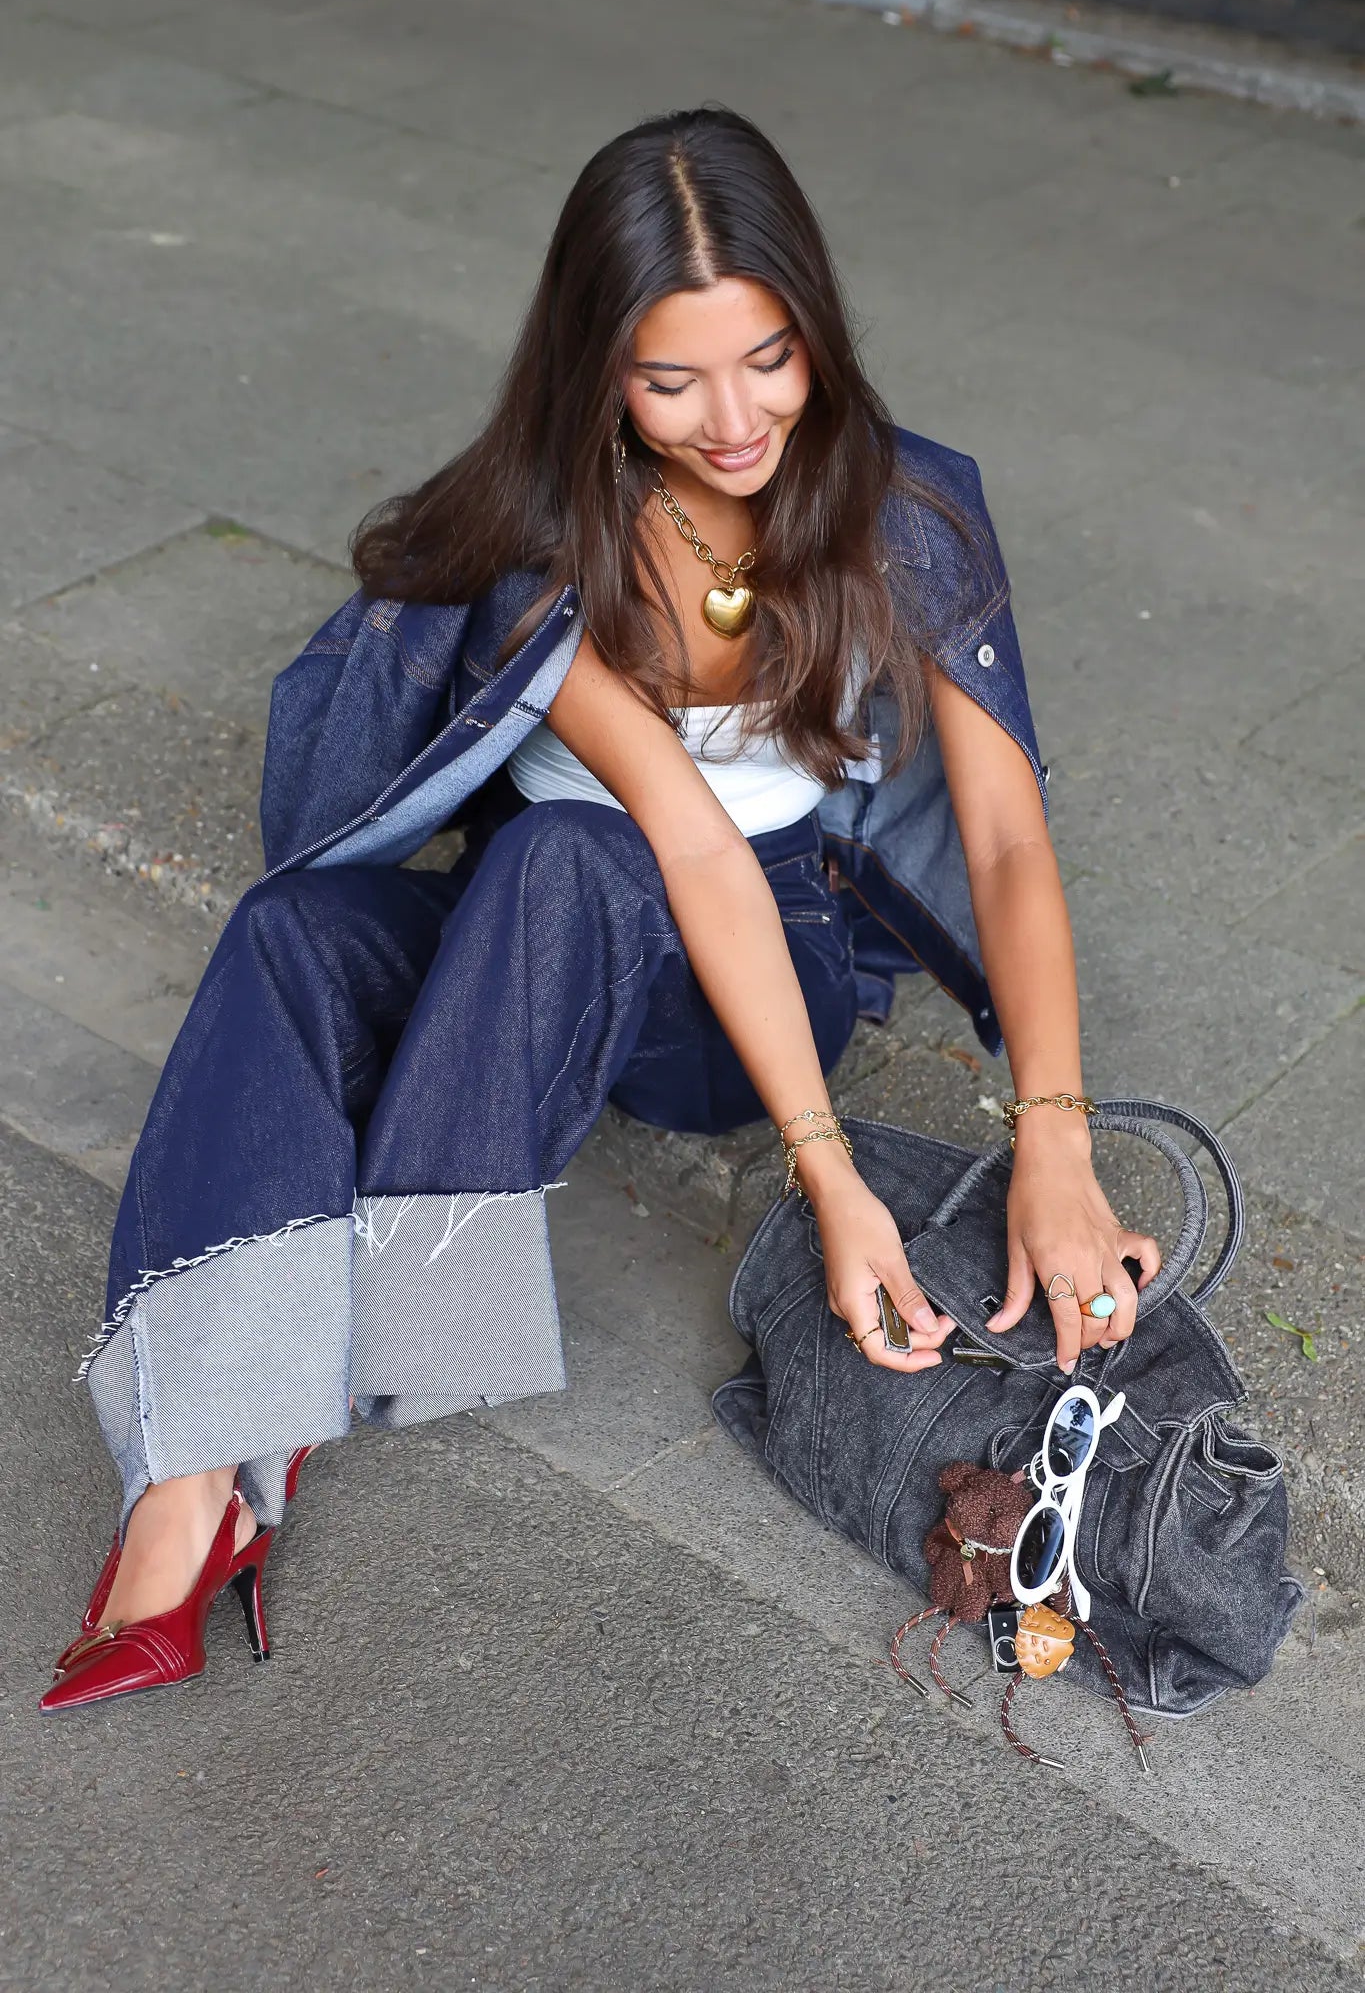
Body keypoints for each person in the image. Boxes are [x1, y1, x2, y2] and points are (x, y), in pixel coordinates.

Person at [42, 106, 1160, 1715]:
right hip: (538, 939)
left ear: (815, 330)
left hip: (738, 983)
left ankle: (358, 1325)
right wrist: (832, 1185)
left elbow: (995, 846)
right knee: (292, 934)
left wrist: (1024, 1148)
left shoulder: (909, 512)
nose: (733, 419)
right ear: (596, 377)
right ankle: (199, 1470)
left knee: (565, 861)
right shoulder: (549, 542)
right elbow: (666, 832)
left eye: (769, 358)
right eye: (670, 378)